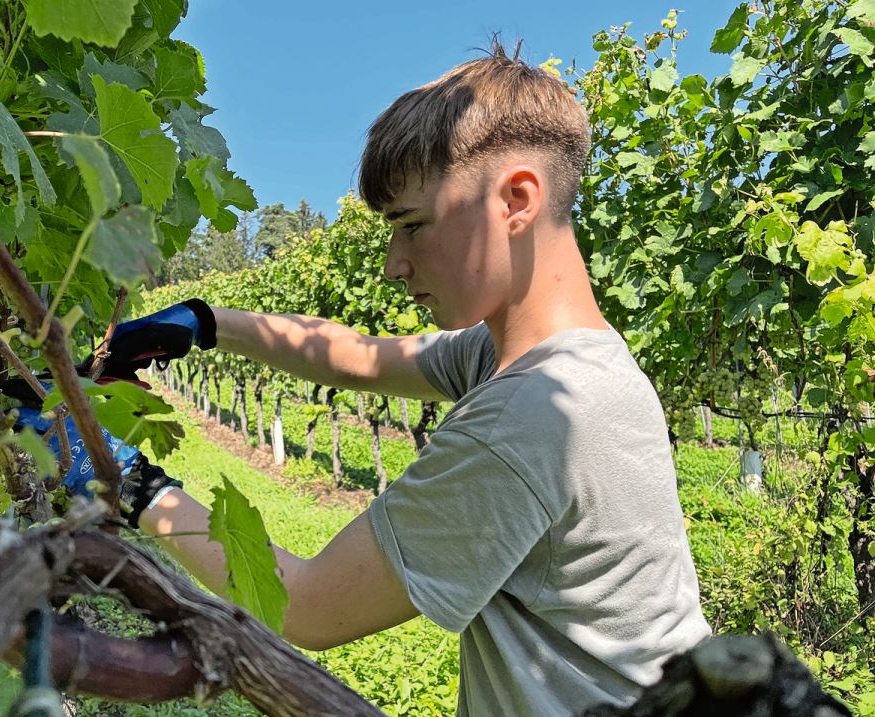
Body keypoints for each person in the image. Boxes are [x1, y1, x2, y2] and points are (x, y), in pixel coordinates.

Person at [94, 41, 712, 716]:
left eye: (412, 226)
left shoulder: (533, 415)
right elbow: (360, 355)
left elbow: (307, 604)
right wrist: (208, 322)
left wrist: (125, 478)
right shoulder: (539, 358)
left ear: (517, 200)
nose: (394, 262)